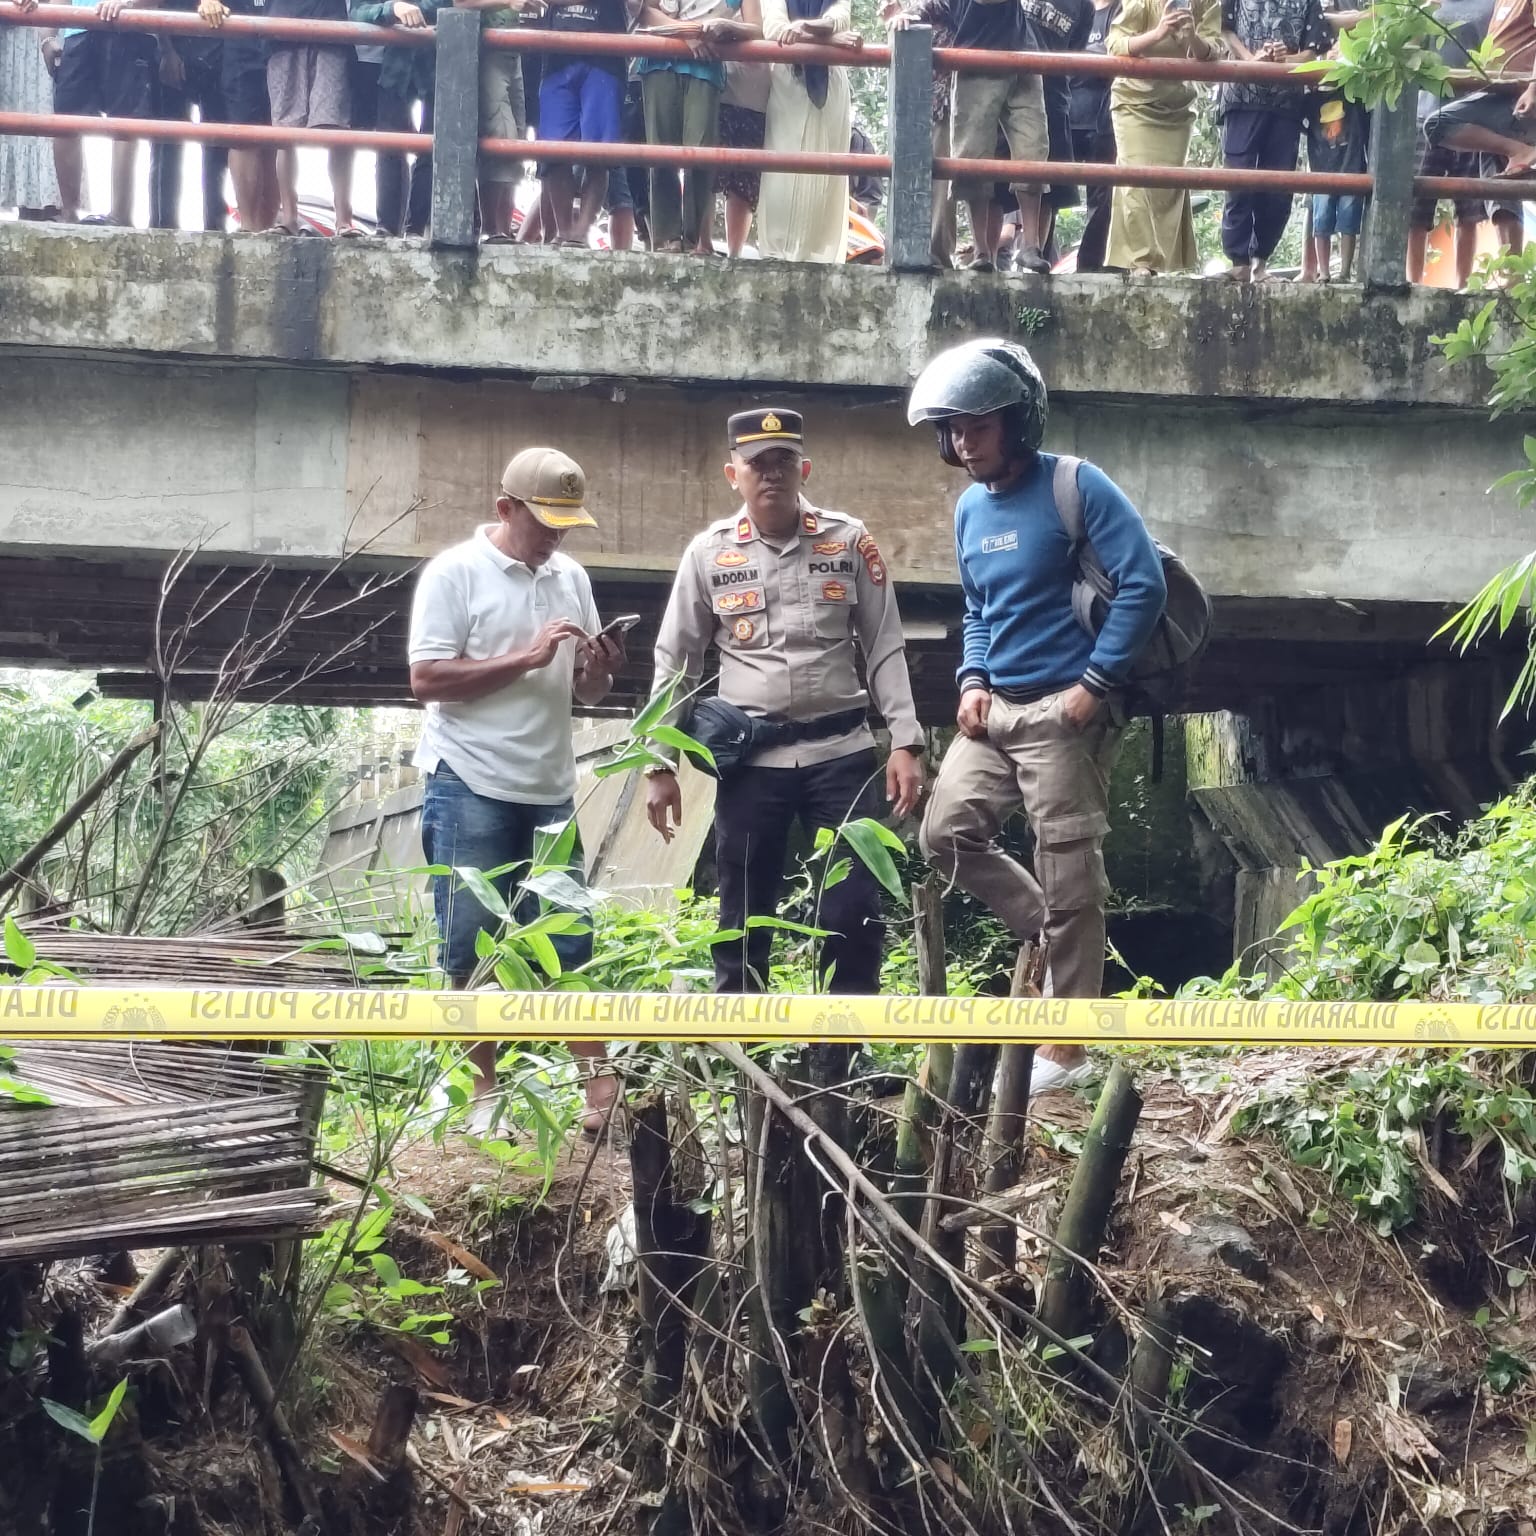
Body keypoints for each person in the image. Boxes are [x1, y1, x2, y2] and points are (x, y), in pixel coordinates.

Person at [908, 339, 1165, 1095]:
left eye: (977, 427)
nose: (963, 443)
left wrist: (1097, 681)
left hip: (1065, 708)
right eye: (952, 430)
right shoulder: (966, 510)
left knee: (1070, 863)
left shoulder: (1075, 486)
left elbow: (1142, 583)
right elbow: (979, 608)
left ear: (1019, 422)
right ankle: (1046, 934)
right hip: (997, 711)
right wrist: (972, 678)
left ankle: (1068, 1042)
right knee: (943, 831)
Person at [645, 408, 925, 995]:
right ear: (733, 474)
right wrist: (658, 762)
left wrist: (906, 739)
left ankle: (841, 1057)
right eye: (757, 464)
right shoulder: (708, 556)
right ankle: (749, 1064)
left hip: (841, 756)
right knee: (742, 915)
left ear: (805, 468)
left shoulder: (849, 541)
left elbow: (883, 646)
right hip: (752, 765)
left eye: (783, 461)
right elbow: (677, 662)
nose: (771, 474)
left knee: (852, 911)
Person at [408, 447, 624, 1136]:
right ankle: (483, 1096)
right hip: (468, 778)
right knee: (470, 944)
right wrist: (526, 658)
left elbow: (588, 691)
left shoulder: (572, 578)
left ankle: (598, 1092)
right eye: (545, 520)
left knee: (569, 939)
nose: (556, 535)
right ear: (505, 508)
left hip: (549, 784)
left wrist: (597, 669)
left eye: (567, 522)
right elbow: (427, 679)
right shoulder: (453, 574)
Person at [906, 0, 1050, 273]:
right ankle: (982, 250)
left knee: (1033, 148)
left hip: (1020, 54)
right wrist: (906, 15)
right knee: (972, 154)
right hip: (975, 59)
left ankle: (1031, 245)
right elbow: (931, 4)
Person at [1106, 0, 1222, 275]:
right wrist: (1158, 32)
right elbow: (1115, 44)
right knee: (1135, 180)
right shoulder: (1142, 3)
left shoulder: (1206, 4)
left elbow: (1215, 53)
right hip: (1133, 102)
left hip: (1176, 107)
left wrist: (1191, 36)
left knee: (1169, 187)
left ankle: (1170, 263)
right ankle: (1142, 261)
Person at [1219, 0, 1330, 281]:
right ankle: (1238, 262)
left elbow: (1312, 50)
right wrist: (1250, 59)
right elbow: (1225, 28)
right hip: (1242, 94)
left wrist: (1285, 59)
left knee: (1278, 187)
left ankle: (1260, 262)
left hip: (1286, 101)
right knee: (1237, 177)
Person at [634, 0, 751, 255]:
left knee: (701, 154)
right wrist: (685, 33)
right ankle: (666, 238)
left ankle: (694, 238)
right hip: (660, 58)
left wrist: (728, 28)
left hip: (706, 65)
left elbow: (757, 28)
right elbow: (645, 11)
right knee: (661, 151)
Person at [1424, 0, 1536, 258]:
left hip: (1519, 98)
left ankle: (1520, 151)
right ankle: (1511, 268)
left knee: (1438, 123)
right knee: (1497, 187)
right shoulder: (1500, 3)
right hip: (1496, 95)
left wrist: (1533, 87)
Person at [757, 0, 860, 262]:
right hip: (789, 81)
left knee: (828, 169)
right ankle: (777, 252)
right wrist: (832, 40)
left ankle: (820, 254)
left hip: (831, 82)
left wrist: (806, 28)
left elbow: (839, 17)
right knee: (782, 168)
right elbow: (775, 29)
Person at [44, 0, 154, 225]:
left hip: (128, 25)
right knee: (66, 120)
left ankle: (121, 214)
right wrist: (48, 37)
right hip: (78, 26)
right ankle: (69, 211)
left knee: (125, 121)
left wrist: (128, 2)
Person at [1409, 0, 1494, 285]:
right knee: (1417, 207)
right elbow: (1410, 52)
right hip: (1425, 113)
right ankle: (1414, 282)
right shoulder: (1426, 4)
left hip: (1470, 115)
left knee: (1469, 207)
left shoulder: (1489, 6)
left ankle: (1464, 283)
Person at [538, 0, 629, 245]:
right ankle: (564, 231)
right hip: (558, 56)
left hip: (606, 57)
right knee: (553, 149)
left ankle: (580, 233)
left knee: (599, 154)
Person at [265, 0, 358, 236]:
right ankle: (288, 218)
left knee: (337, 130)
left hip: (331, 29)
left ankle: (344, 220)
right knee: (284, 132)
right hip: (282, 31)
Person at [351, 0, 438, 237]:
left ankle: (416, 228)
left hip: (438, 64)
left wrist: (405, 9)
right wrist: (392, 9)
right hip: (395, 67)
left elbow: (454, 4)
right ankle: (387, 227)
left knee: (433, 148)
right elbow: (357, 11)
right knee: (388, 145)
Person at [1021, 0, 1094, 264]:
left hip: (1054, 92)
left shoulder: (1083, 7)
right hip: (1011, 83)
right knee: (996, 172)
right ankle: (987, 254)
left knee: (1050, 179)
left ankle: (1035, 252)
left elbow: (1074, 51)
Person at [200, 0, 279, 234]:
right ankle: (248, 226)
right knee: (242, 134)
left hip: (281, 35)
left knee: (277, 138)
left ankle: (269, 228)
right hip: (239, 39)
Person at [150, 0, 228, 231]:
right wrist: (166, 50)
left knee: (216, 143)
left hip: (216, 46)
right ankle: (163, 224)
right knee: (167, 141)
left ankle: (215, 225)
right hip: (173, 39)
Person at [1067, 0, 1120, 272]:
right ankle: (1039, 255)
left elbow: (1122, 50)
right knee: (1049, 185)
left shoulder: (1122, 9)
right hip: (1067, 107)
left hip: (1105, 114)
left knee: (1103, 195)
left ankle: (1089, 265)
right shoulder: (1074, 8)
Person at [1, 0, 63, 220]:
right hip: (7, 35)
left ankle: (47, 209)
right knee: (13, 128)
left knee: (46, 122)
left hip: (43, 29)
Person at [716, 36, 770, 254]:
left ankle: (734, 254)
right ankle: (701, 243)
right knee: (707, 174)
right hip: (717, 82)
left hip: (759, 92)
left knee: (744, 183)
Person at [1306, 89, 1367, 281]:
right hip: (1322, 170)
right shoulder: (1311, 99)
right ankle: (1323, 272)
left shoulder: (1354, 94)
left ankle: (1344, 272)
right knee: (1321, 219)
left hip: (1352, 167)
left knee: (1349, 221)